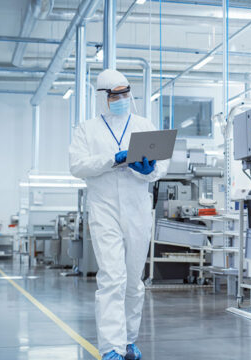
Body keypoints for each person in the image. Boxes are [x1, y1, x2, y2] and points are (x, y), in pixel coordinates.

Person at [70, 69, 169, 360]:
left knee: (133, 281)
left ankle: (128, 341)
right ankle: (110, 347)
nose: (121, 99)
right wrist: (112, 160)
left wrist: (150, 171)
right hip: (104, 209)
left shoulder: (144, 124)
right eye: (115, 94)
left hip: (138, 208)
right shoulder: (86, 129)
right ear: (103, 97)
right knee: (112, 278)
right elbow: (77, 166)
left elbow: (161, 165)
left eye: (125, 93)